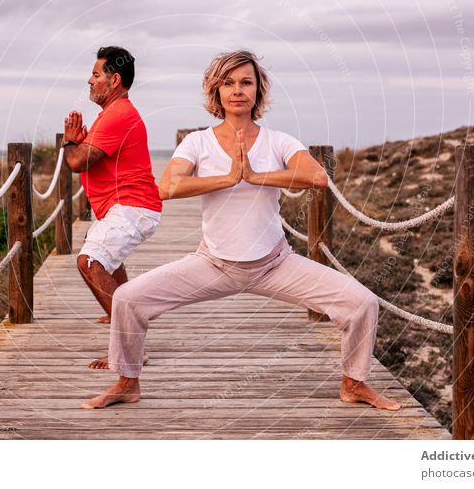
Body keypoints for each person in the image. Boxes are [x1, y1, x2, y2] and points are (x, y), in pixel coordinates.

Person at [82, 50, 401, 411]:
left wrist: (255, 176)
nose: (238, 90)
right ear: (216, 91)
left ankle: (354, 384)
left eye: (246, 82)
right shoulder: (197, 142)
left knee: (362, 303)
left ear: (258, 90)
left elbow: (316, 177)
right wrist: (227, 179)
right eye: (229, 83)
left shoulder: (279, 141)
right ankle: (127, 383)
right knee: (127, 299)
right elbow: (168, 186)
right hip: (212, 264)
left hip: (274, 264)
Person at [62, 46, 162, 369]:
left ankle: (130, 347)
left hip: (132, 207)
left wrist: (68, 141)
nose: (89, 81)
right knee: (108, 258)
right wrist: (78, 140)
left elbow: (76, 161)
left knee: (90, 262)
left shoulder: (119, 115)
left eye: (95, 74)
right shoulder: (110, 114)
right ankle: (117, 312)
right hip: (125, 207)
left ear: (114, 79)